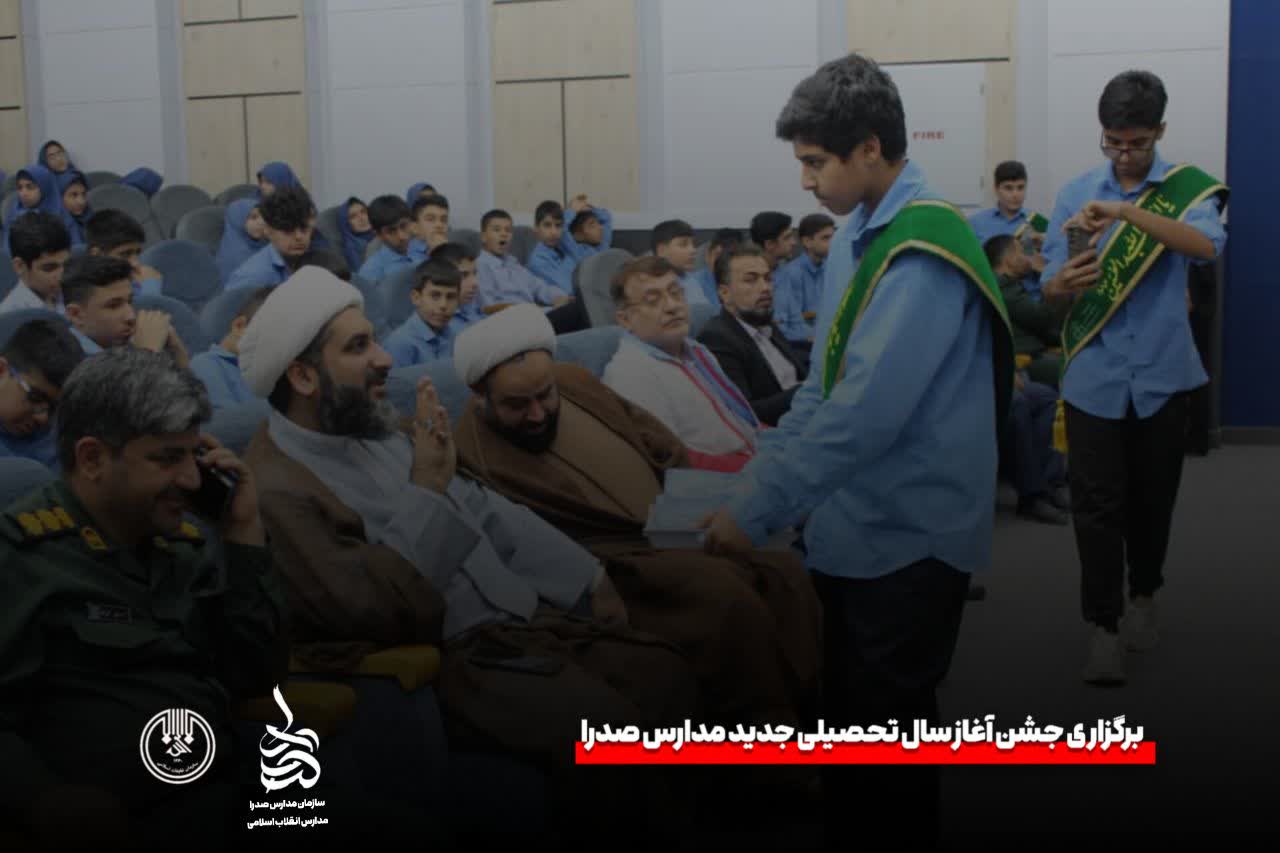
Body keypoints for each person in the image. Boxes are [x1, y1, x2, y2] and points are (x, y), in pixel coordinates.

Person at [236, 267, 698, 846]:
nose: (384, 358)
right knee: (606, 732)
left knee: (664, 674)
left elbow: (487, 509)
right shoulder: (279, 487)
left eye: (374, 339)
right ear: (303, 375)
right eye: (358, 347)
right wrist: (426, 490)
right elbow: (372, 608)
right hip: (450, 661)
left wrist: (588, 576)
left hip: (520, 624)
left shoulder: (376, 430)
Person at [698, 53, 1014, 845]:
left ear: (870, 148)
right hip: (850, 524)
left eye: (816, 162)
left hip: (907, 536)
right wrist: (759, 485)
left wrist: (757, 508)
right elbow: (821, 389)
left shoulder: (921, 250)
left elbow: (863, 417)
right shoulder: (854, 240)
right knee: (849, 731)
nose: (805, 181)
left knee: (886, 755)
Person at [453, 304, 821, 729]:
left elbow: (655, 437)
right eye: (517, 405)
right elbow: (527, 544)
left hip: (676, 515)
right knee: (725, 598)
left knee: (786, 569)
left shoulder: (574, 382)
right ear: (480, 397)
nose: (537, 414)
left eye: (544, 396)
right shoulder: (472, 452)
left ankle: (810, 711)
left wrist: (686, 497)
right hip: (620, 565)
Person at [0, 347, 289, 849]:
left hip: (231, 790)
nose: (193, 479)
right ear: (92, 458)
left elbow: (256, 676)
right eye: (168, 458)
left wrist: (243, 532)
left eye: (194, 454)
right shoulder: (23, 558)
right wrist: (42, 799)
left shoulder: (182, 545)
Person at [1039, 70, 1227, 685]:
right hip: (1093, 374)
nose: (1123, 155)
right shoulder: (1074, 192)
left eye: (1136, 144)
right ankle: (1103, 626)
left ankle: (1145, 592)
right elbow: (1048, 285)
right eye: (1113, 142)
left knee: (1153, 501)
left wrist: (1127, 211)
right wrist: (1059, 284)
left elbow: (1205, 246)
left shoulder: (1186, 190)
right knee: (1095, 508)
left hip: (1163, 375)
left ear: (1159, 132)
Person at [602, 257, 760, 472]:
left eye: (676, 293)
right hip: (721, 482)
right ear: (625, 320)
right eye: (653, 300)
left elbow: (742, 420)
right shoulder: (629, 374)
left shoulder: (696, 350)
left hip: (754, 455)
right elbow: (674, 461)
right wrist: (757, 467)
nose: (672, 306)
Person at [696, 244, 807, 426]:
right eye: (751, 280)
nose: (765, 288)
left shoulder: (762, 320)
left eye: (768, 279)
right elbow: (746, 413)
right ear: (725, 293)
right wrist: (807, 391)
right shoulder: (717, 338)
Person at [62, 254, 188, 367]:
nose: (131, 316)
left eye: (130, 302)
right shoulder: (67, 364)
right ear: (76, 315)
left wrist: (177, 354)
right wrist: (147, 353)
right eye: (113, 306)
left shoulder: (120, 349)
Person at [984, 234, 1069, 388]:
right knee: (1077, 370)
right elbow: (1042, 319)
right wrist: (1051, 281)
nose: (1030, 258)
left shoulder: (1004, 284)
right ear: (1010, 259)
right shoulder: (1003, 287)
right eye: (1024, 252)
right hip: (1023, 362)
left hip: (1034, 354)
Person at [0, 318, 84, 468]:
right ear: (1, 371)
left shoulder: (60, 442)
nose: (43, 418)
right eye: (36, 398)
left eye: (54, 408)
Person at [189, 287, 272, 412]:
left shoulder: (273, 375)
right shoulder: (206, 364)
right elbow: (225, 420)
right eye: (272, 338)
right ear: (239, 326)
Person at [475, 210, 573, 310]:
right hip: (514, 316)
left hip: (536, 312)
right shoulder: (480, 266)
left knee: (575, 307)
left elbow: (538, 287)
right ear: (483, 237)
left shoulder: (512, 262)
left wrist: (559, 297)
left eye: (508, 230)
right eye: (497, 230)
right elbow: (489, 307)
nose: (504, 234)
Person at [225, 186, 316, 292]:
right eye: (288, 229)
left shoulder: (318, 261)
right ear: (267, 230)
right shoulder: (252, 278)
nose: (299, 236)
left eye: (304, 228)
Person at [773, 213, 834, 357]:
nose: (833, 243)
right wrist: (817, 337)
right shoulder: (790, 274)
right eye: (825, 238)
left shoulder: (830, 269)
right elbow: (784, 326)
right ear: (807, 242)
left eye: (833, 237)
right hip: (802, 348)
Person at [528, 196, 614, 296]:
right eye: (547, 225)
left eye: (558, 225)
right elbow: (568, 289)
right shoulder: (538, 260)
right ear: (536, 228)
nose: (554, 232)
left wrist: (588, 208)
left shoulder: (568, 248)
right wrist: (571, 211)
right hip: (570, 301)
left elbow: (606, 218)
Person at [383, 258, 461, 367]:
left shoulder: (457, 336)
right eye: (435, 296)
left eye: (451, 297)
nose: (443, 305)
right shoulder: (399, 344)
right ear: (416, 298)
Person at [0, 211, 71, 315]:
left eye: (67, 265)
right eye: (49, 268)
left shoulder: (75, 295)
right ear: (20, 266)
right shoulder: (9, 318)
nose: (63, 277)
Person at [84, 209, 164, 298]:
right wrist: (150, 288)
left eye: (138, 253)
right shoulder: (84, 294)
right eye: (125, 255)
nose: (135, 263)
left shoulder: (135, 280)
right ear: (97, 255)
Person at [356, 195, 427, 284]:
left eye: (404, 226)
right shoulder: (370, 272)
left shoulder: (426, 248)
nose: (401, 236)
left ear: (410, 222)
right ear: (379, 235)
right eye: (391, 231)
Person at [430, 241, 484, 334]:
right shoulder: (438, 321)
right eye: (464, 275)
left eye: (474, 273)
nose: (475, 283)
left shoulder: (468, 303)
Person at [650, 219, 707, 306]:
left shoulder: (692, 280)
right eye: (683, 244)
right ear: (662, 250)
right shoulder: (650, 284)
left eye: (693, 244)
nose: (693, 250)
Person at [214, 199, 268, 284]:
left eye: (264, 217)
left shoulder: (263, 242)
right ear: (238, 220)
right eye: (254, 217)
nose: (262, 222)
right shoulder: (235, 256)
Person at [2, 164, 62, 238]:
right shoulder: (14, 212)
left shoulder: (60, 214)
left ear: (44, 188)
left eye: (30, 187)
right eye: (20, 188)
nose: (23, 194)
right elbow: (6, 241)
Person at [690, 228, 742, 308]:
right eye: (717, 255)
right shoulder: (692, 283)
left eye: (727, 257)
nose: (720, 262)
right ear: (707, 256)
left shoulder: (746, 282)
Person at [337, 197, 374, 273]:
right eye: (353, 216)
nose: (361, 218)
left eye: (363, 212)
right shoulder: (352, 248)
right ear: (346, 224)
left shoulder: (383, 234)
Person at [56, 170, 91, 247]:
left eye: (84, 195)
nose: (81, 202)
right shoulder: (53, 227)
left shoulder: (89, 217)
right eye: (74, 195)